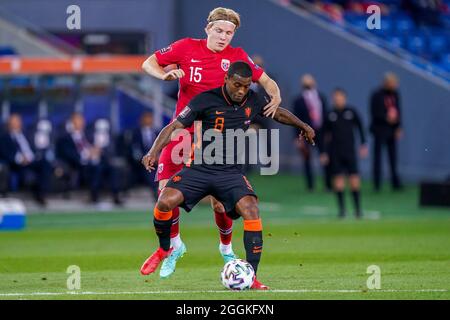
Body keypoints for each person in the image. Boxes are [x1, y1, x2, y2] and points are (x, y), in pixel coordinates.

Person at [139, 61, 315, 289]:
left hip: (230, 172)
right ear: (227, 80)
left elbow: (277, 113)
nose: (242, 90)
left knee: (251, 210)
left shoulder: (253, 99)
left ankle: (251, 277)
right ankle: (165, 248)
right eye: (237, 85)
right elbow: (174, 127)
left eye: (246, 86)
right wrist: (153, 151)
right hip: (200, 168)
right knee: (164, 202)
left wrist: (304, 126)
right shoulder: (205, 100)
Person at [141, 7, 282, 278]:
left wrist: (275, 95)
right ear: (207, 28)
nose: (223, 37)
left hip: (216, 137)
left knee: (220, 202)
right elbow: (148, 62)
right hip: (182, 130)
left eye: (229, 33)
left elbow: (265, 80)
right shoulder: (185, 48)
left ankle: (226, 247)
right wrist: (164, 75)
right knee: (164, 194)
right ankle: (173, 246)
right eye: (219, 30)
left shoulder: (237, 57)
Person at [56, 112, 123, 205]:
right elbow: (69, 154)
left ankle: (116, 196)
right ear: (71, 122)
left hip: (96, 160)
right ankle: (94, 196)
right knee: (97, 168)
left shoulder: (88, 134)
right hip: (81, 164)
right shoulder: (65, 137)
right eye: (77, 120)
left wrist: (97, 151)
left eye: (81, 120)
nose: (80, 123)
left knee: (112, 168)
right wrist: (87, 154)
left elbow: (95, 146)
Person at [322, 88, 368, 218]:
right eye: (335, 97)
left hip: (350, 151)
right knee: (338, 181)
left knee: (354, 180)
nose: (338, 99)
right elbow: (324, 135)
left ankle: (358, 210)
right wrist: (324, 152)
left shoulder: (351, 112)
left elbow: (360, 127)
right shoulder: (330, 114)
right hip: (335, 152)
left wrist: (363, 144)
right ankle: (342, 210)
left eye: (340, 97)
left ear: (344, 98)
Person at [0, 113, 52, 205]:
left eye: (17, 121)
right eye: (13, 122)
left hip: (32, 160)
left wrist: (33, 156)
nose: (16, 124)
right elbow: (5, 153)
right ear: (9, 124)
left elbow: (35, 148)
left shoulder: (27, 135)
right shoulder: (4, 137)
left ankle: (42, 194)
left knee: (45, 163)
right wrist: (20, 158)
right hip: (16, 163)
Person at [292, 74, 331, 191]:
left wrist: (328, 132)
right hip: (305, 132)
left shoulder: (321, 97)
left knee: (324, 157)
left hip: (320, 131)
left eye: (309, 82)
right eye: (305, 82)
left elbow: (326, 115)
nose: (307, 84)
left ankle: (328, 185)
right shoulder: (298, 100)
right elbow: (294, 119)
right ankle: (310, 186)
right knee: (307, 158)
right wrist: (297, 138)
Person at [369, 72, 403, 192]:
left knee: (393, 157)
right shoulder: (376, 95)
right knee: (377, 158)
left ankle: (395, 182)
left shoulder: (395, 95)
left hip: (392, 130)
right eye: (393, 83)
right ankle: (377, 184)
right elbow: (374, 112)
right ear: (387, 83)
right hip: (380, 130)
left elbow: (398, 111)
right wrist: (385, 118)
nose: (395, 85)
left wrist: (399, 126)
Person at [129, 111, 159, 200]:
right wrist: (146, 157)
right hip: (143, 161)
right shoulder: (136, 133)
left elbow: (162, 148)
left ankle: (161, 191)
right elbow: (135, 149)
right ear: (141, 120)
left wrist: (158, 157)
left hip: (157, 160)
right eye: (146, 118)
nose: (148, 120)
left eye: (150, 118)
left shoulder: (158, 132)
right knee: (149, 169)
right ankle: (155, 192)